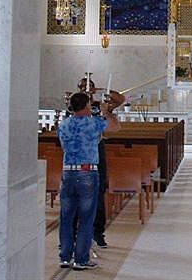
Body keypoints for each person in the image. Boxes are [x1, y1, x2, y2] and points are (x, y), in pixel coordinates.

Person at [57, 91, 119, 270]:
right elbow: (115, 127)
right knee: (85, 219)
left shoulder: (64, 124)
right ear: (86, 106)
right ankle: (81, 259)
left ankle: (65, 256)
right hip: (87, 173)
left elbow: (63, 145)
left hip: (68, 172)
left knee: (66, 217)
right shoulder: (93, 123)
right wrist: (106, 111)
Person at [76, 77, 125, 250]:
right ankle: (77, 231)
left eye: (89, 87)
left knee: (98, 191)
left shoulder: (98, 104)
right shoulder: (74, 106)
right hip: (79, 154)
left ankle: (98, 232)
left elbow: (120, 99)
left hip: (97, 152)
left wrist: (102, 93)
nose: (86, 89)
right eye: (82, 87)